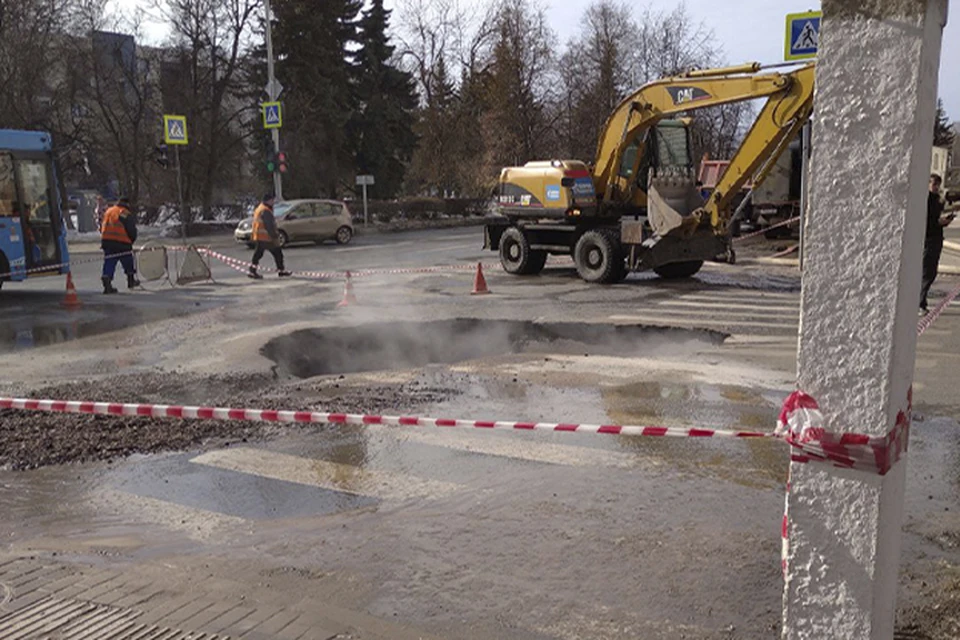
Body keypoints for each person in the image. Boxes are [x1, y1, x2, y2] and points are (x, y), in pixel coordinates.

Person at [920, 174, 960, 314]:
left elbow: (946, 203)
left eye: (938, 184)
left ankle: (921, 302)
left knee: (930, 272)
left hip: (936, 238)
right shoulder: (926, 199)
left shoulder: (937, 199)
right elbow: (929, 221)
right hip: (929, 238)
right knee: (927, 272)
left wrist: (945, 220)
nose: (936, 187)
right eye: (934, 184)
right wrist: (940, 222)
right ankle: (920, 303)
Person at [100, 197, 140, 294]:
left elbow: (102, 225)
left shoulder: (109, 211)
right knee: (128, 261)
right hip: (122, 242)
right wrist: (131, 240)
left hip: (107, 241)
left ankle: (107, 281)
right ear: (127, 204)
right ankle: (131, 280)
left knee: (109, 261)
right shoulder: (124, 213)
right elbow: (131, 230)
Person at [248, 192, 291, 279]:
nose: (273, 202)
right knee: (277, 253)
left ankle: (252, 271)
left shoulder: (260, 208)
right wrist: (275, 235)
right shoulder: (265, 210)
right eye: (272, 200)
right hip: (266, 237)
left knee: (258, 254)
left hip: (260, 236)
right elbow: (269, 225)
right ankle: (280, 270)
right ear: (268, 201)